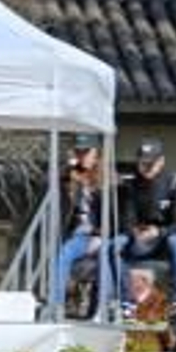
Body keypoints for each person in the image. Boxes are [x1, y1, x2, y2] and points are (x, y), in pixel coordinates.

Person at [116, 137, 176, 318]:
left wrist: (158, 231)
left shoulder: (174, 184)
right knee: (115, 244)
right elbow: (127, 219)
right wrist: (135, 232)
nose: (146, 167)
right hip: (139, 239)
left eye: (151, 163)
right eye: (143, 163)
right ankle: (127, 301)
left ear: (161, 161)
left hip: (164, 240)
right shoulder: (131, 185)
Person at [48, 134, 105, 317]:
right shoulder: (71, 174)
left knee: (107, 256)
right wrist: (71, 167)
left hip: (102, 234)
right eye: (79, 152)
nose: (82, 156)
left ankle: (98, 309)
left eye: (86, 152)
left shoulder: (107, 176)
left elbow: (115, 209)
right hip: (80, 235)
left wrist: (100, 234)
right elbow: (56, 181)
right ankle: (56, 306)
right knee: (64, 252)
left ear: (96, 153)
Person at [121, 267, 174, 352]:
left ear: (144, 281)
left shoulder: (159, 300)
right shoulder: (131, 301)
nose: (129, 284)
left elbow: (165, 330)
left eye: (132, 281)